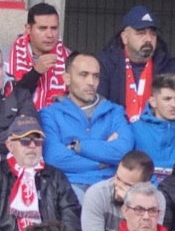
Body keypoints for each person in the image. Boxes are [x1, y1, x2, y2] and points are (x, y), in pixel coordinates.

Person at [40, 51, 129, 193]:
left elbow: (123, 152)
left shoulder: (114, 112)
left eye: (96, 76)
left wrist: (78, 147)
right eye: (83, 75)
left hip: (110, 187)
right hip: (68, 187)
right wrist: (103, 160)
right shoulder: (49, 114)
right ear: (67, 79)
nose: (91, 82)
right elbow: (54, 157)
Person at [98, 5, 175, 123]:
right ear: (125, 37)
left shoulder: (170, 67)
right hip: (117, 134)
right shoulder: (106, 64)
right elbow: (100, 108)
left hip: (156, 136)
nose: (148, 39)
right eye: (141, 33)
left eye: (153, 34)